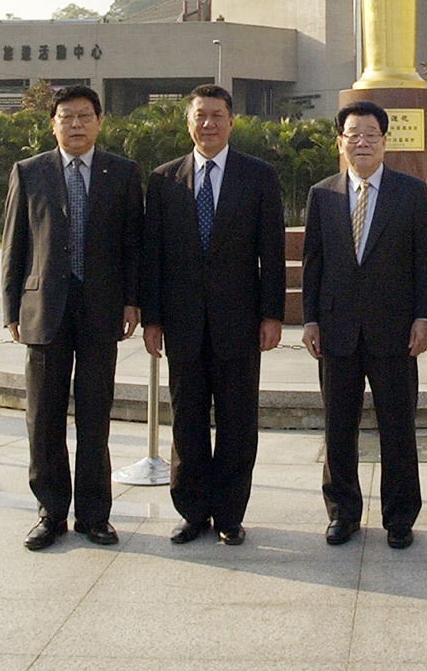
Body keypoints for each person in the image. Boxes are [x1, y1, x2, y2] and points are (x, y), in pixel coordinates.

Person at [141, 84, 285, 545]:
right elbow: (154, 258)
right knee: (187, 421)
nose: (209, 123)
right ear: (188, 122)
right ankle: (192, 511)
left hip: (239, 323)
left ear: (231, 121)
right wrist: (152, 319)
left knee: (238, 421)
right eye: (200, 115)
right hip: (182, 325)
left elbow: (273, 255)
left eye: (218, 115)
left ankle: (229, 515)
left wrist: (271, 315)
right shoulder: (164, 180)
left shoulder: (259, 177)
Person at [1, 85, 143, 550]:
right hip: (45, 311)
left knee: (95, 418)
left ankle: (95, 516)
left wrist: (131, 300)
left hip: (101, 311)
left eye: (85, 116)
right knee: (43, 417)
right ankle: (50, 513)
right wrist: (11, 309)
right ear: (53, 124)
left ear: (100, 122)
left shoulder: (122, 173)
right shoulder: (29, 172)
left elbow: (132, 247)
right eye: (67, 117)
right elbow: (14, 246)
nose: (76, 124)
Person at [302, 100, 427, 549]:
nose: (362, 142)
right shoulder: (323, 193)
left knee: (398, 426)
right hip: (337, 332)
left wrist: (423, 316)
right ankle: (342, 513)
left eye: (371, 135)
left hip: (395, 332)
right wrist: (310, 320)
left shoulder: (411, 192)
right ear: (341, 143)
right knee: (338, 428)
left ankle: (400, 518)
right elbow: (313, 263)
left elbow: (424, 262)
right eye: (353, 135)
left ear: (385, 141)